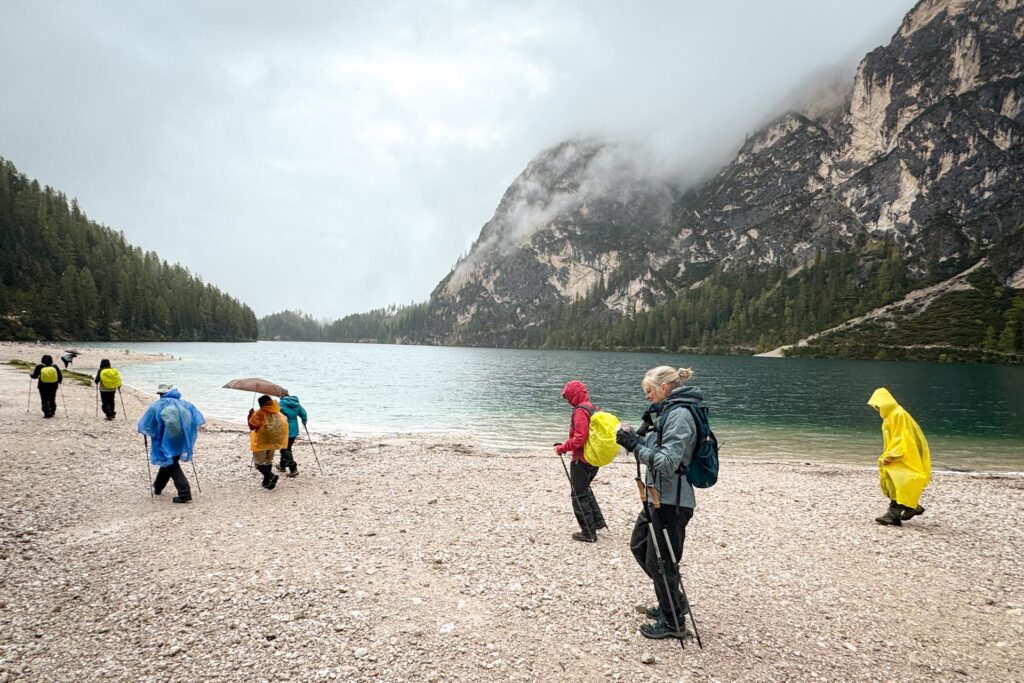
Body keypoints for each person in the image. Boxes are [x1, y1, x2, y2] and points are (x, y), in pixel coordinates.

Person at [616, 366, 703, 640]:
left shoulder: (679, 415)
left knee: (662, 563)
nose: (648, 397)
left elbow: (666, 463)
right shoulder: (667, 412)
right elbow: (656, 449)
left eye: (649, 392)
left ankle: (673, 622)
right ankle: (673, 601)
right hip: (657, 496)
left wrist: (634, 446)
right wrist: (635, 437)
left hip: (672, 501)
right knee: (639, 546)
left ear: (665, 388)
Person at [867, 387, 931, 526]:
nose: (877, 408)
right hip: (896, 455)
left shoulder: (898, 414)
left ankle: (892, 515)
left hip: (903, 456)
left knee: (900, 483)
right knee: (893, 484)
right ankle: (911, 507)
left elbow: (902, 437)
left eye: (879, 405)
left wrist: (892, 454)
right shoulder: (889, 417)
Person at [554, 380, 607, 543]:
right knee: (585, 489)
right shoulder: (591, 407)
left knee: (578, 495)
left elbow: (580, 438)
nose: (567, 400)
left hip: (581, 460)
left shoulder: (579, 411)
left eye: (568, 396)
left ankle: (588, 533)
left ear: (573, 394)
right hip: (593, 458)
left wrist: (562, 448)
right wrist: (564, 444)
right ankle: (597, 522)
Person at [137, 383, 205, 504]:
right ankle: (158, 487)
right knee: (168, 462)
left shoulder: (157, 405)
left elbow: (146, 423)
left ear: (161, 394)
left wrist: (146, 431)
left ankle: (184, 493)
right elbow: (197, 420)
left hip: (164, 439)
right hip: (181, 439)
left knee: (171, 464)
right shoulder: (185, 404)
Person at [248, 395, 288, 490]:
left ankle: (270, 476)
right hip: (274, 440)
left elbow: (252, 427)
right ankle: (266, 481)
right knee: (268, 461)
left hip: (261, 440)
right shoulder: (278, 413)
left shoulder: (259, 413)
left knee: (259, 463)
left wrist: (250, 415)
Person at [278, 393, 308, 477]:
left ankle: (293, 468)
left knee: (285, 449)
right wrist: (304, 422)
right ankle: (282, 465)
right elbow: (304, 414)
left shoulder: (280, 404)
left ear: (282, 396)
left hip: (284, 429)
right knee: (286, 447)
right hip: (294, 430)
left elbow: (274, 414)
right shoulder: (296, 404)